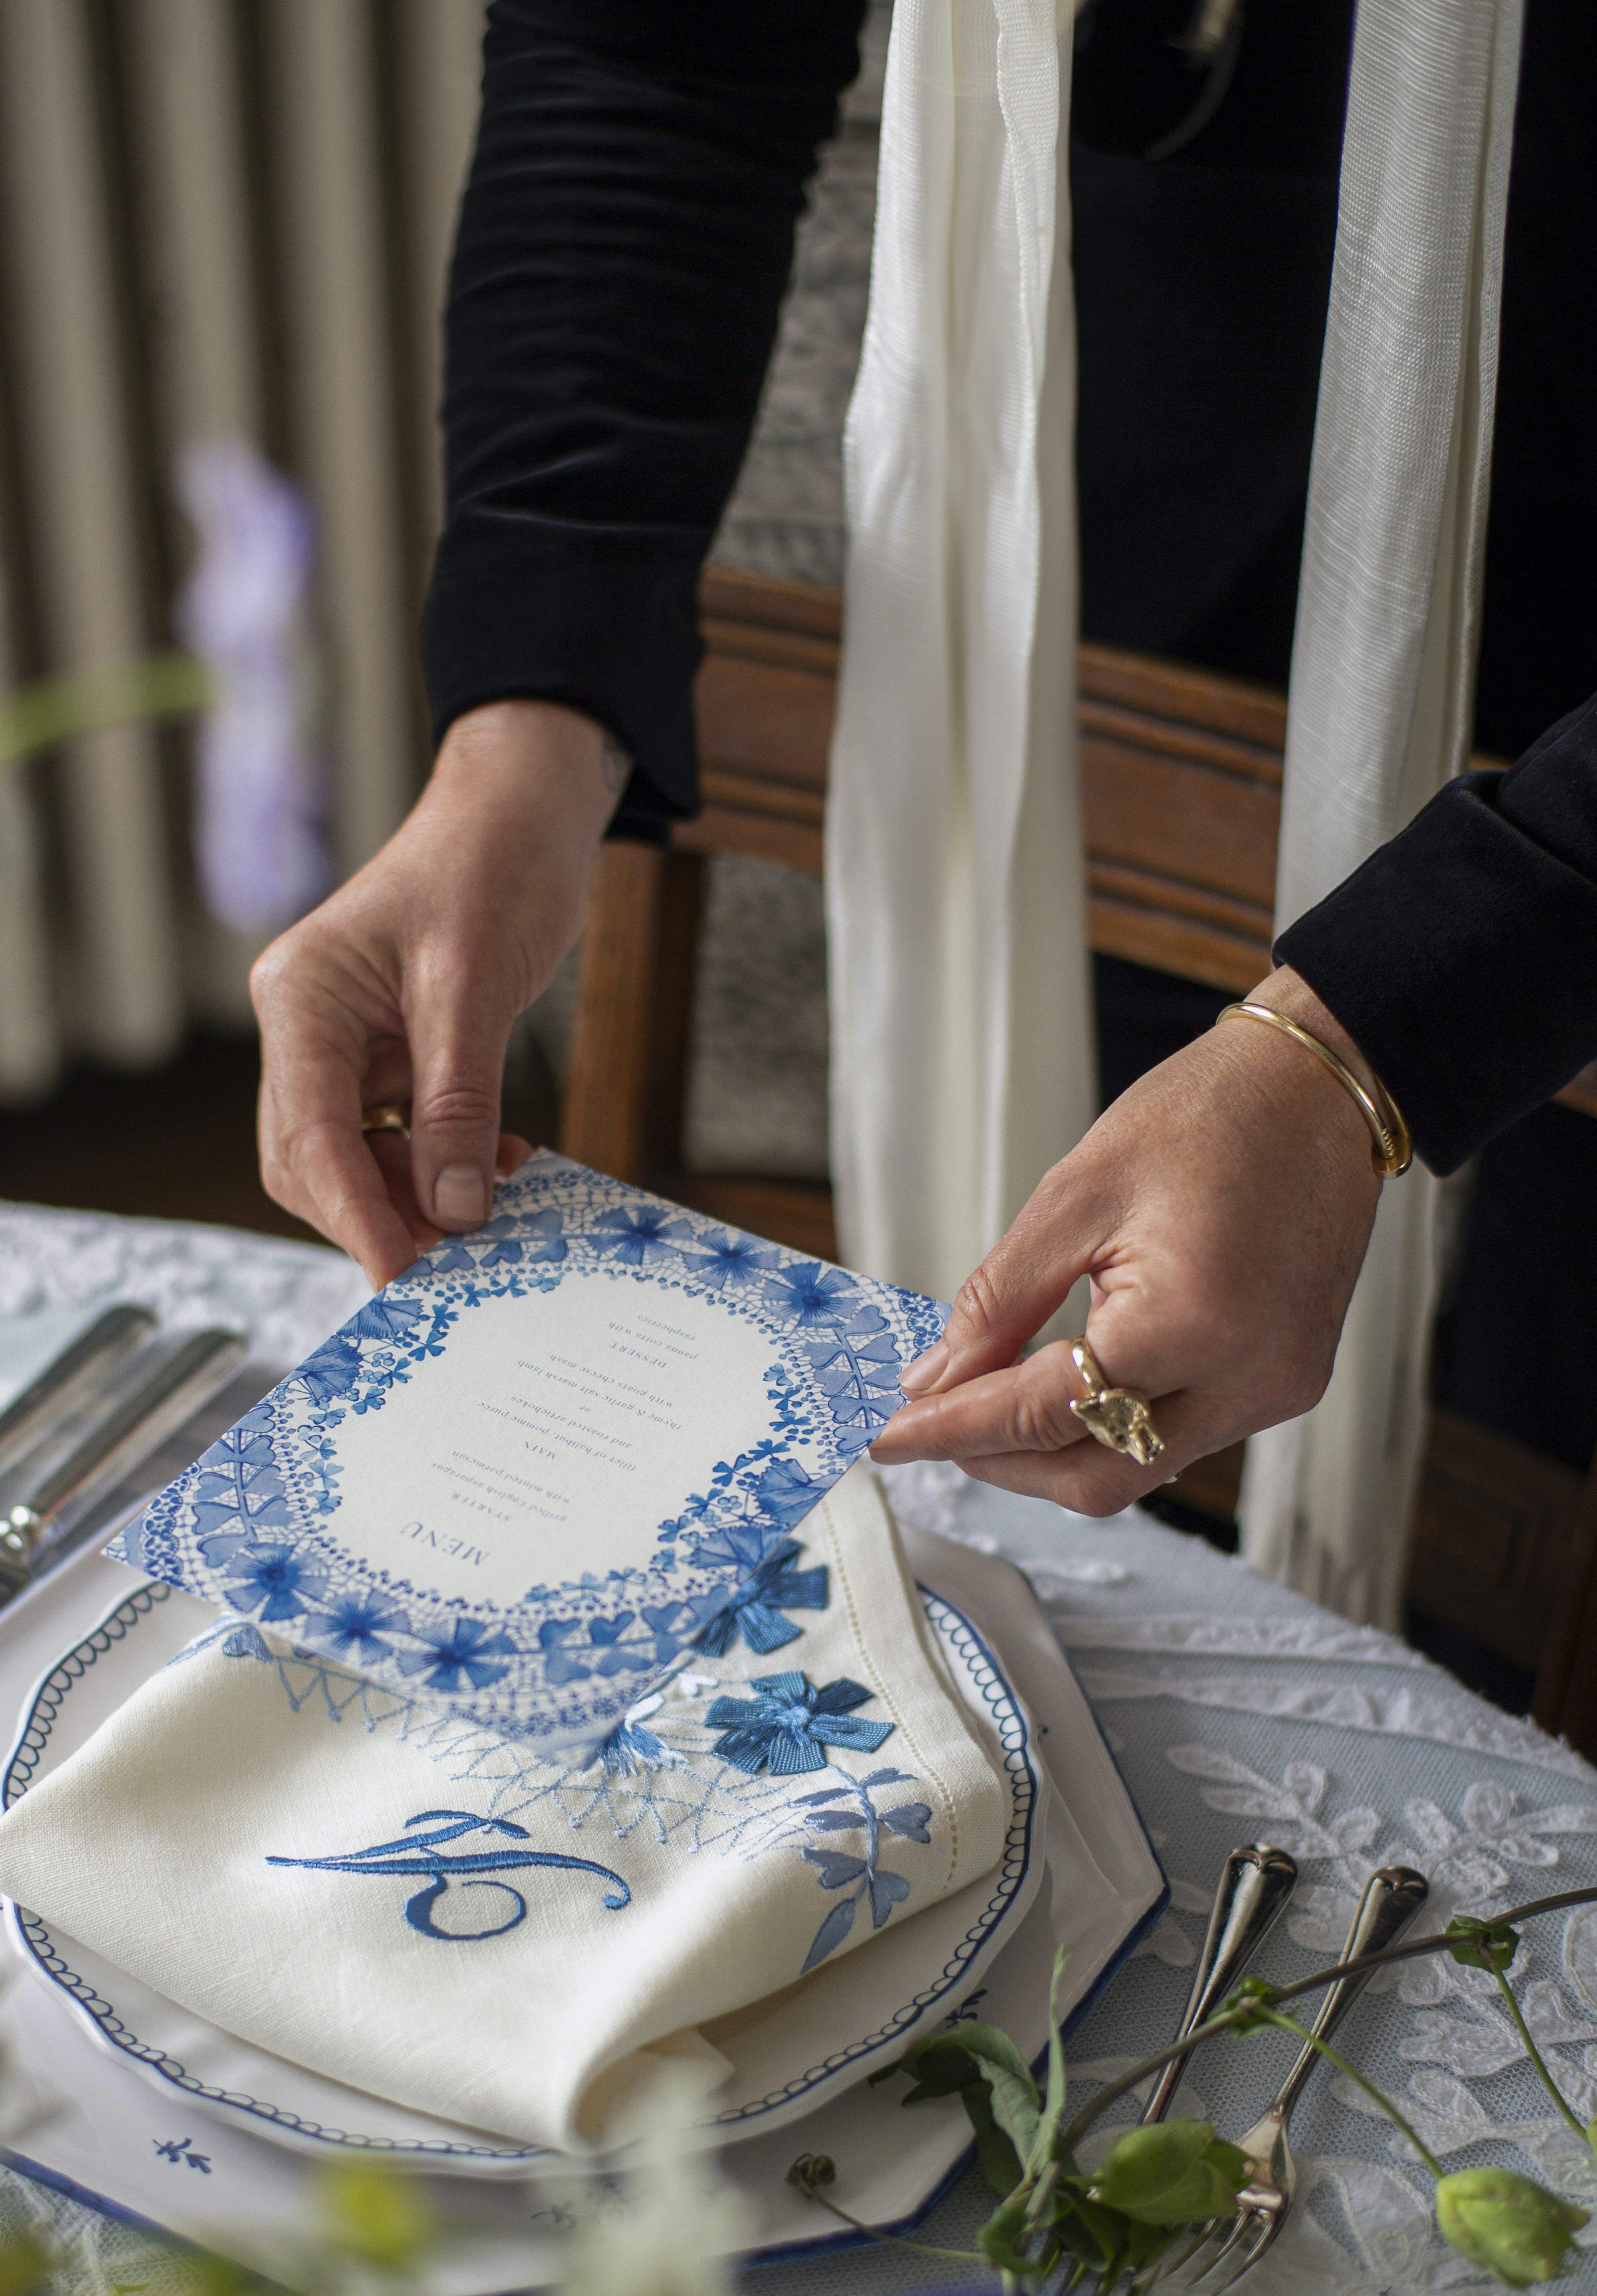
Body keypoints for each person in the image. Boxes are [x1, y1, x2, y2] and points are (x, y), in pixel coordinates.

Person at [250, 0, 1597, 1517]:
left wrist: (1373, 1037)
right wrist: (525, 727)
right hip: (1156, 444)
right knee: (1109, 1310)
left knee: (1544, 1433)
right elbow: (659, 46)